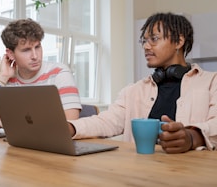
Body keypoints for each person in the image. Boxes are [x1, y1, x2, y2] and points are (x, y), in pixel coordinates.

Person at [68, 12, 217, 154]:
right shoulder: (132, 91)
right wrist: (70, 128)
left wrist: (192, 137)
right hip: (141, 173)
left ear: (179, 41)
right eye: (144, 41)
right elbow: (106, 121)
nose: (146, 46)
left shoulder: (212, 82)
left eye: (154, 39)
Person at [0, 18, 81, 130]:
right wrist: (2, 77)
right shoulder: (9, 79)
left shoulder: (59, 73)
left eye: (37, 47)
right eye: (26, 50)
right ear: (10, 54)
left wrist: (11, 123)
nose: (35, 56)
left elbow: (70, 124)